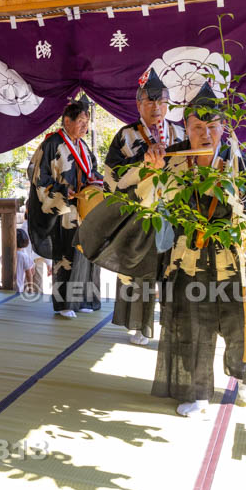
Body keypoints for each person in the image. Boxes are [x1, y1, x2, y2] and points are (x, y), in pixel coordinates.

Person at [150, 83, 246, 418]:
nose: (205, 134)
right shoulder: (171, 160)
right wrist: (151, 170)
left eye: (212, 127)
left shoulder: (238, 160)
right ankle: (196, 393)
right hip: (189, 258)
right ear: (186, 129)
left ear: (223, 127)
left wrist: (244, 213)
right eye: (197, 128)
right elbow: (151, 204)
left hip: (234, 258)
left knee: (244, 323)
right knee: (192, 326)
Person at [104, 68, 185, 346]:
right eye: (148, 101)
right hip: (139, 214)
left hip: (175, 213)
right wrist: (143, 163)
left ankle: (175, 323)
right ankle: (140, 325)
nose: (155, 107)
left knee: (176, 270)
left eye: (160, 101)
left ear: (168, 104)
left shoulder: (180, 132)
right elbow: (112, 177)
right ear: (139, 104)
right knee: (141, 270)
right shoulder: (126, 136)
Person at [26, 100, 103, 318]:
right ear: (67, 121)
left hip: (84, 208)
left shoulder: (83, 146)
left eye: (86, 122)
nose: (84, 127)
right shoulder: (52, 143)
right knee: (66, 255)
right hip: (63, 210)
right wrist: (61, 189)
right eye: (80, 121)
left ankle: (87, 299)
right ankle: (65, 304)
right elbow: (36, 174)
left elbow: (93, 170)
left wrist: (97, 182)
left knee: (87, 254)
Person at [15, 228, 37, 295]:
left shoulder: (6, 254)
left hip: (7, 285)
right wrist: (30, 288)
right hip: (18, 286)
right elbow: (29, 274)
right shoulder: (23, 256)